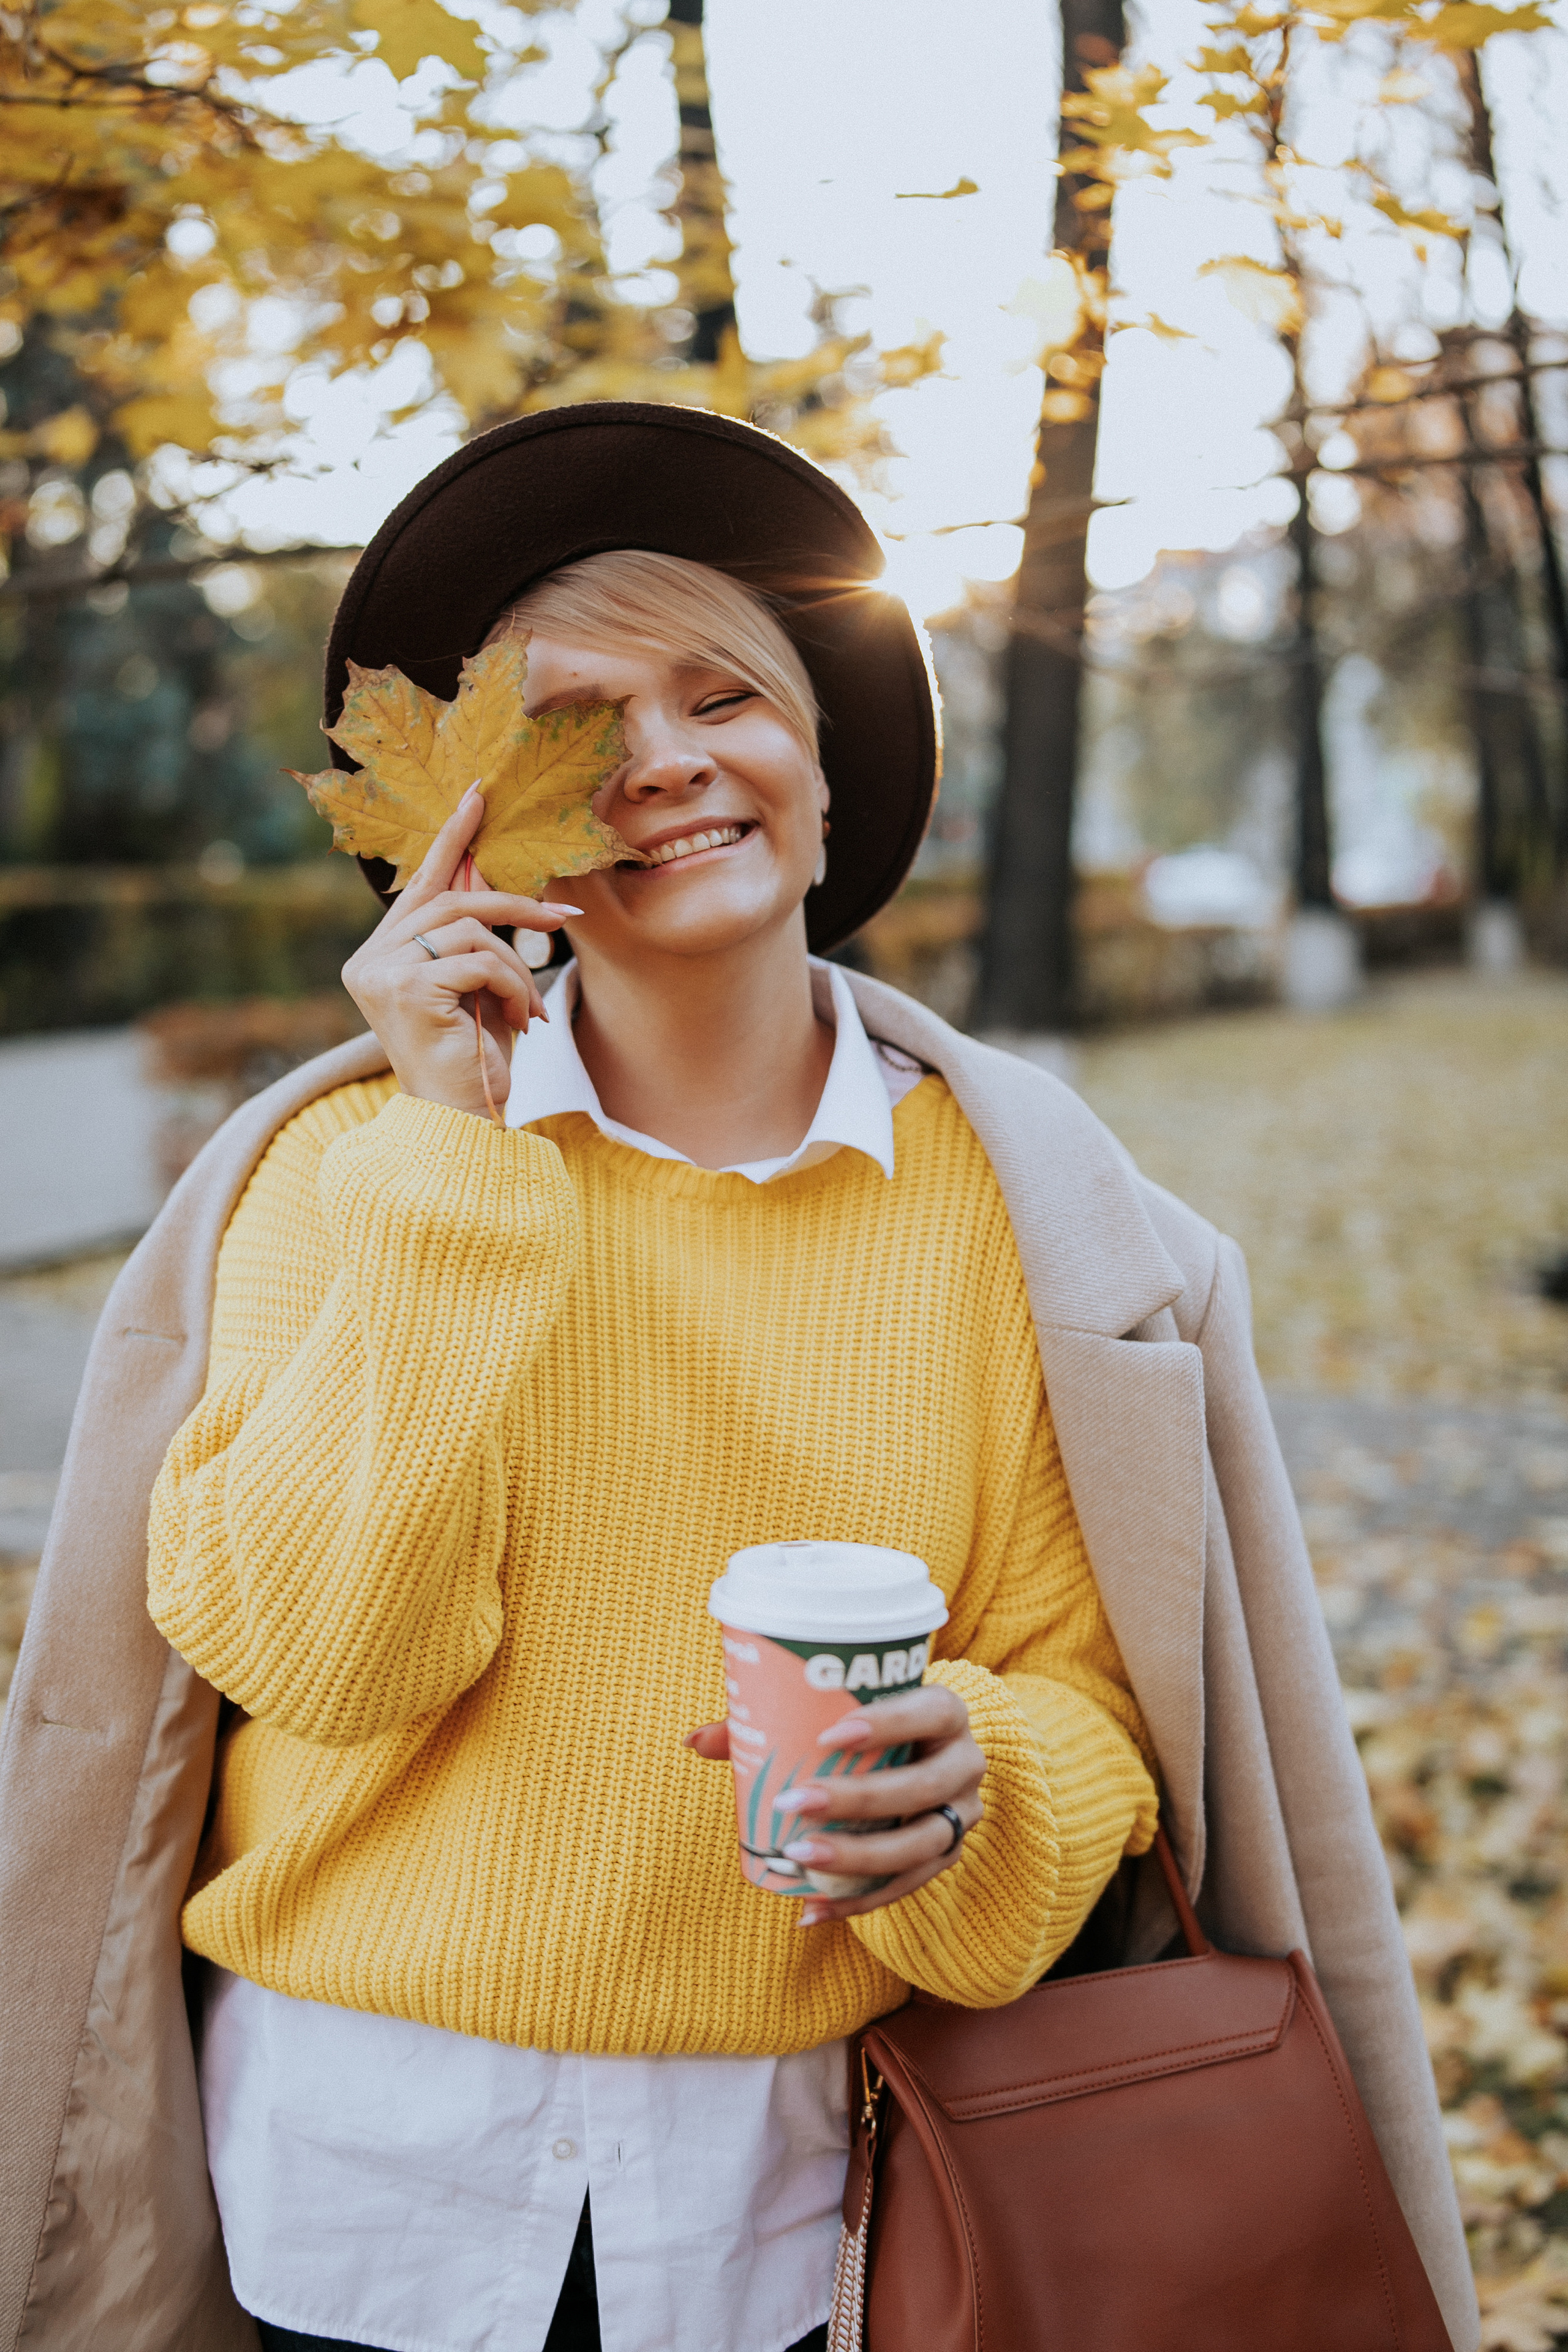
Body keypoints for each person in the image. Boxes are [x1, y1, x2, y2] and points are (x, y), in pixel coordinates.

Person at [0, 405, 1476, 2352]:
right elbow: (327, 1661)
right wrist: (452, 1165)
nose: (668, 759)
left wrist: (974, 1787)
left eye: (725, 698)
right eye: (576, 726)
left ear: (823, 769)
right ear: (477, 831)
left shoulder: (1026, 1228)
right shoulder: (340, 1179)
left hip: (801, 2207)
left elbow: (1097, 1714)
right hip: (361, 2195)